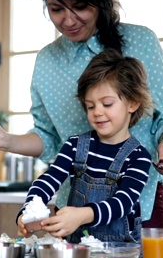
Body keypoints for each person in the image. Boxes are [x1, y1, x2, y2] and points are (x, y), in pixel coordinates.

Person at [0, 0, 163, 258]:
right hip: (70, 215)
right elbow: (48, 143)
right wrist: (4, 140)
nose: (68, 19)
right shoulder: (48, 63)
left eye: (80, 6)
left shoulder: (140, 42)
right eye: (56, 9)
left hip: (139, 208)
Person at [17, 49, 152, 243]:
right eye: (90, 106)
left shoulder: (138, 157)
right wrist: (28, 211)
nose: (97, 112)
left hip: (119, 256)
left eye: (107, 104)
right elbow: (48, 181)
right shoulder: (75, 146)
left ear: (132, 103)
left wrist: (81, 215)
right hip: (77, 252)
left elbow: (122, 203)